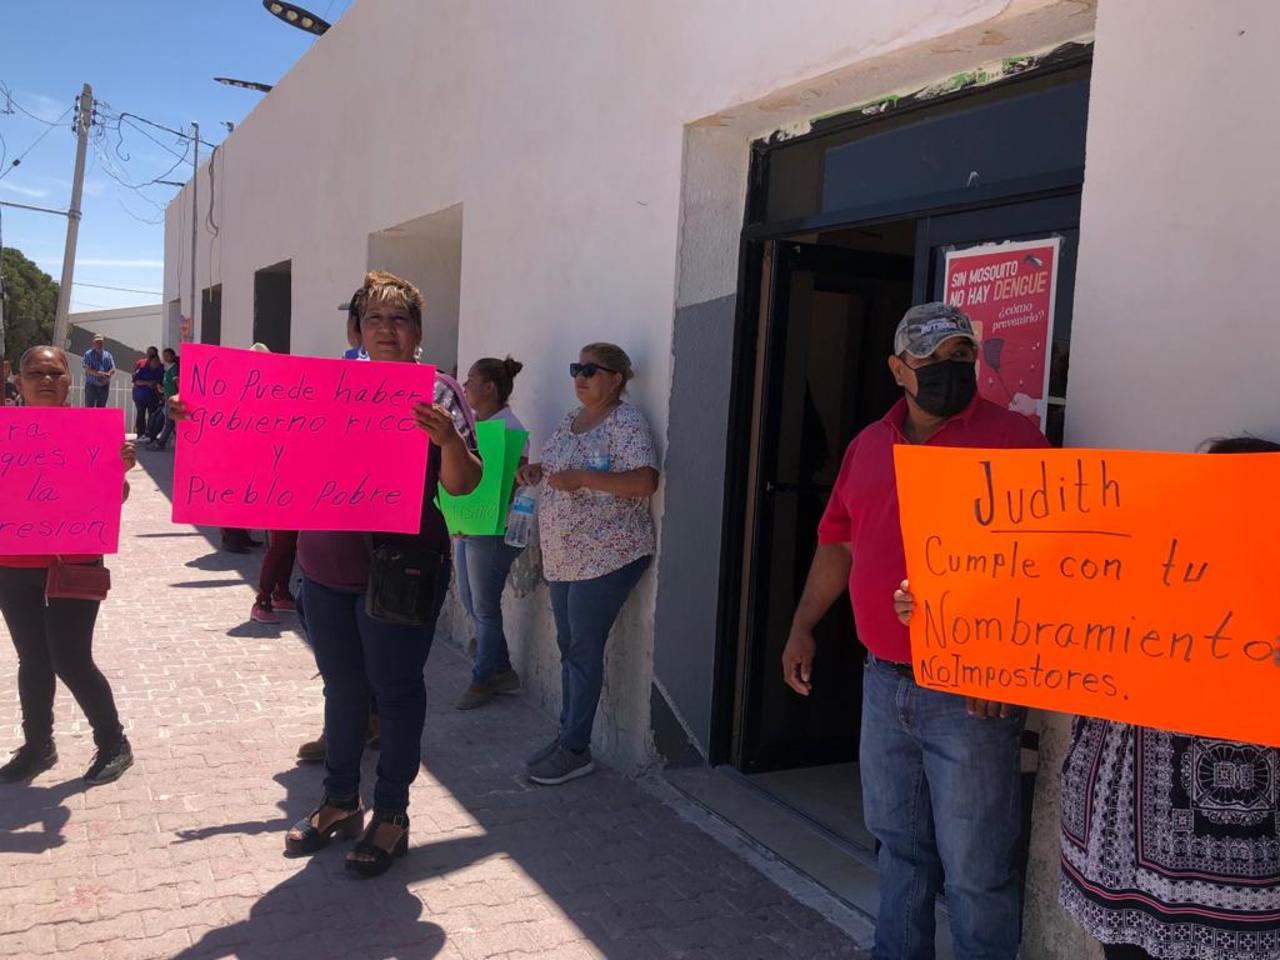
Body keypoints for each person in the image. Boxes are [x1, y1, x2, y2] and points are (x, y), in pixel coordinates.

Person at [176, 271, 481, 875]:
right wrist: (201, 422)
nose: (387, 329)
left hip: (402, 572)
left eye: (399, 319)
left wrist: (448, 440)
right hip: (324, 568)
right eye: (374, 319)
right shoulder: (324, 387)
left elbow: (463, 484)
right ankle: (341, 800)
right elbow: (259, 444)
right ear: (356, 330)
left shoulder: (438, 392)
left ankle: (391, 814)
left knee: (396, 693)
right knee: (341, 690)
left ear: (417, 330)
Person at [780, 302, 1048, 960]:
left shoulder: (1014, 440)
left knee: (977, 866)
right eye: (932, 358)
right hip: (885, 682)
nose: (950, 369)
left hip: (971, 694)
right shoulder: (869, 446)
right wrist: (803, 624)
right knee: (898, 848)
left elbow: (1043, 562)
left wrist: (1001, 665)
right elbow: (839, 542)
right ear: (899, 369)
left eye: (962, 356)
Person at [1051, 435, 1280, 960]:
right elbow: (1051, 622)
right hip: (1120, 853)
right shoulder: (1146, 560)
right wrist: (937, 610)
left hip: (1234, 872)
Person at [514, 343, 659, 786]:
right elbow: (560, 465)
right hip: (566, 556)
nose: (580, 376)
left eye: (591, 370)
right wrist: (537, 471)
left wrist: (582, 478)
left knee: (582, 648)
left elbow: (645, 480)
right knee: (569, 645)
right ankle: (568, 737)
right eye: (576, 368)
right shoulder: (571, 420)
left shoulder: (627, 422)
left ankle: (575, 749)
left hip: (608, 554)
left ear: (616, 379)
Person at [0, 346, 136, 786]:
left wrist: (117, 471)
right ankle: (38, 746)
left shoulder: (90, 432)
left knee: (70, 658)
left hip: (74, 562)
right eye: (34, 372)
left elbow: (113, 501)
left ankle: (113, 742)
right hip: (13, 563)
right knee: (32, 659)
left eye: (54, 373)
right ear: (18, 381)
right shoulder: (5, 433)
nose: (45, 379)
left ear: (68, 380)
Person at [454, 356, 529, 710]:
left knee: (484, 608)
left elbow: (511, 485)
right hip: (470, 524)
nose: (465, 386)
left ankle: (482, 678)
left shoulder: (509, 429)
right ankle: (500, 667)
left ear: (489, 388)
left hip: (494, 529)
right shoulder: (474, 426)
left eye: (471, 380)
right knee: (471, 600)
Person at [148, 349, 180, 452]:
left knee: (169, 422)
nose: (165, 358)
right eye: (164, 355)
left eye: (167, 356)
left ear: (172, 356)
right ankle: (163, 442)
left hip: (172, 399)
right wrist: (161, 389)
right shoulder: (168, 369)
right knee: (170, 422)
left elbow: (177, 383)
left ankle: (161, 443)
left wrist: (179, 395)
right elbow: (168, 386)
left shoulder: (174, 368)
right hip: (167, 397)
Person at [131, 352, 164, 439]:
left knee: (152, 415)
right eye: (154, 361)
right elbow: (136, 381)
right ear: (149, 361)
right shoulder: (142, 368)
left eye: (158, 361)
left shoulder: (160, 368)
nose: (156, 363)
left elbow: (162, 381)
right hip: (140, 396)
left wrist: (158, 385)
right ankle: (140, 433)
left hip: (153, 397)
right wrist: (147, 383)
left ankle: (150, 434)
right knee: (141, 414)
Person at [82, 335, 115, 408]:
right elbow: (87, 369)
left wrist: (108, 374)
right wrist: (99, 374)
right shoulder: (88, 354)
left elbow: (113, 369)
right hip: (91, 385)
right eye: (97, 342)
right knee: (89, 408)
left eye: (100, 342)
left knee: (101, 408)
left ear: (103, 343)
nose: (99, 344)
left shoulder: (108, 355)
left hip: (104, 385)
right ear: (93, 343)